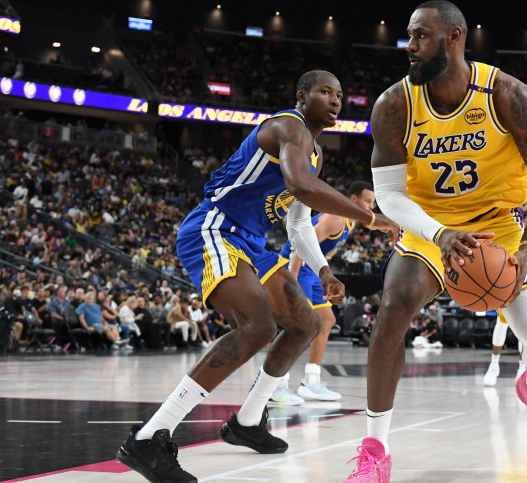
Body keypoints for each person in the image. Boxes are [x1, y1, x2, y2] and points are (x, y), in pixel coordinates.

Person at [116, 70, 396, 483]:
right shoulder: (287, 126)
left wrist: (324, 271)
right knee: (258, 325)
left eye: (340, 95)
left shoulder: (316, 153)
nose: (336, 101)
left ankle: (247, 422)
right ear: (302, 96)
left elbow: (299, 225)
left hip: (250, 242)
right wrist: (370, 217)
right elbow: (301, 186)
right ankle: (147, 438)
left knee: (306, 323)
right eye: (325, 92)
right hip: (214, 227)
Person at [344, 3, 527, 480]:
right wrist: (440, 232)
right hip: (432, 227)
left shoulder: (508, 96)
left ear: (454, 37)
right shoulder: (394, 105)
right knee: (394, 306)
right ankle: (375, 450)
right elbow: (388, 194)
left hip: (502, 227)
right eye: (408, 37)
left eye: (419, 37)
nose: (408, 47)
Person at [275, 181, 379, 403]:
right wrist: (292, 274)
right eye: (368, 201)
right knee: (299, 326)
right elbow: (301, 241)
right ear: (353, 200)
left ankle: (311, 381)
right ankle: (276, 385)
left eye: (373, 202)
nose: (371, 206)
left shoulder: (352, 220)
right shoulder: (336, 218)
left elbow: (377, 223)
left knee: (326, 320)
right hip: (298, 266)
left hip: (312, 272)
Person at [483, 232, 527, 386]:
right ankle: (494, 364)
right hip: (503, 274)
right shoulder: (508, 217)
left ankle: (522, 367)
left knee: (524, 326)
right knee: (502, 321)